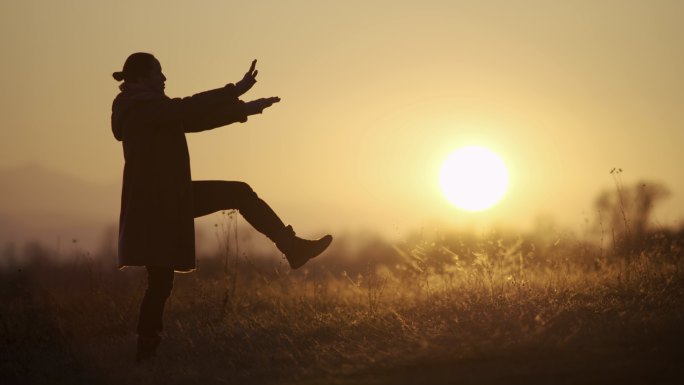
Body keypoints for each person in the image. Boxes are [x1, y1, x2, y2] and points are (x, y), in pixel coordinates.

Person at [110, 52, 332, 363]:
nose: (164, 79)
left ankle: (145, 356)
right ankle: (292, 247)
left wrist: (245, 110)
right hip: (161, 203)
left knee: (160, 283)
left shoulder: (145, 109)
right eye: (158, 73)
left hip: (165, 200)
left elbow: (192, 119)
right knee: (238, 194)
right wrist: (236, 89)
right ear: (143, 78)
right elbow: (187, 107)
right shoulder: (141, 109)